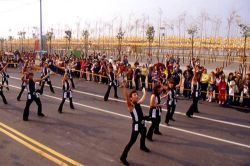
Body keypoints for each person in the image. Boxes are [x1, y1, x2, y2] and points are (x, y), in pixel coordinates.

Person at [120, 83, 150, 166]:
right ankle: (123, 157)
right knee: (131, 142)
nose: (137, 96)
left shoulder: (138, 103)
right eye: (134, 95)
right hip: (136, 126)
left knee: (144, 134)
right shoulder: (131, 106)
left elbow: (142, 100)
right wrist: (125, 87)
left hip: (142, 124)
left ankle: (142, 146)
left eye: (137, 94)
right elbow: (126, 97)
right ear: (131, 98)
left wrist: (145, 93)